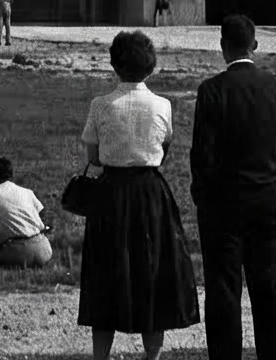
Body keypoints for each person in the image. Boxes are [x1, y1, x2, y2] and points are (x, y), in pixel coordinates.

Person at [75, 28, 199, 360]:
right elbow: (165, 146)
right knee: (152, 271)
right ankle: (152, 355)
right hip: (150, 194)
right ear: (150, 66)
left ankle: (101, 355)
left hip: (110, 193)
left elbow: (93, 157)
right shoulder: (163, 105)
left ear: (115, 64)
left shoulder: (100, 105)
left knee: (105, 274)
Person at [190, 13, 276, 360]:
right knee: (269, 288)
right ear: (254, 45)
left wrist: (203, 197)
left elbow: (201, 155)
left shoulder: (210, 91)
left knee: (223, 289)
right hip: (266, 198)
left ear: (223, 46)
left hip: (222, 203)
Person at [0, 155, 53, 266]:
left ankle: (4, 252)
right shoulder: (27, 192)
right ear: (12, 174)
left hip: (17, 255)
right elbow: (42, 213)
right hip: (44, 251)